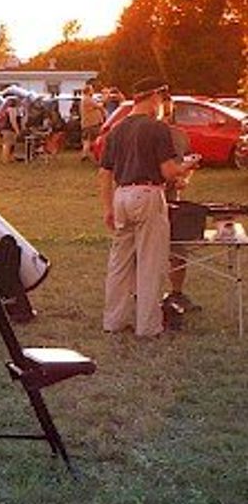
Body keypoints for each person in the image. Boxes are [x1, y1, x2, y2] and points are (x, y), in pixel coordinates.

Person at [97, 77, 197, 338]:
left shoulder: (116, 129)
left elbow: (105, 173)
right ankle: (148, 326)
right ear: (154, 98)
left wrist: (108, 207)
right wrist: (187, 166)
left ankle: (114, 321)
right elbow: (168, 171)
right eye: (162, 99)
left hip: (121, 195)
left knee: (119, 264)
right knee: (151, 263)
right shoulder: (157, 128)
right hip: (148, 194)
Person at [160, 97, 200, 313]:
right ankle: (144, 295)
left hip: (173, 199)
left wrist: (185, 178)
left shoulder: (180, 135)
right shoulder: (146, 134)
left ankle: (176, 293)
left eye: (169, 113)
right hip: (150, 196)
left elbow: (189, 161)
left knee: (178, 248)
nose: (165, 118)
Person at [80, 84, 105, 162]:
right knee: (94, 139)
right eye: (91, 89)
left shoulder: (86, 99)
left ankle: (85, 155)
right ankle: (91, 155)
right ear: (88, 91)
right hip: (91, 123)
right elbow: (99, 106)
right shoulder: (88, 99)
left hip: (87, 123)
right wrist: (104, 99)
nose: (93, 91)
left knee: (87, 140)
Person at [0, 98, 22, 163]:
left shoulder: (8, 110)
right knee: (8, 145)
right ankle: (5, 159)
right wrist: (17, 130)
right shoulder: (12, 110)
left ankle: (10, 158)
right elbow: (13, 121)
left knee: (11, 145)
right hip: (9, 129)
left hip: (7, 129)